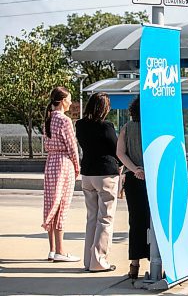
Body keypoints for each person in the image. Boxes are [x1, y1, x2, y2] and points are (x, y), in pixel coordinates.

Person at [75, 92, 120, 272]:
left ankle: (88, 260)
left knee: (91, 218)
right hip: (105, 174)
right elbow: (117, 150)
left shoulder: (80, 125)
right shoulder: (106, 127)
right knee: (105, 219)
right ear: (105, 108)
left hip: (87, 174)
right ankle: (99, 261)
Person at [42, 86, 80, 262]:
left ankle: (52, 249)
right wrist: (77, 166)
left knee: (51, 204)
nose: (71, 103)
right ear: (63, 101)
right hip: (63, 163)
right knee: (62, 205)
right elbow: (72, 146)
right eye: (69, 99)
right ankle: (61, 251)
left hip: (50, 162)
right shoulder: (65, 121)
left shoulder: (48, 119)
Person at [116, 97, 150, 279]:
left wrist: (134, 169)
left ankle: (134, 265)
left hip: (133, 179)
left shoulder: (127, 128)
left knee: (136, 222)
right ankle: (156, 260)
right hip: (153, 179)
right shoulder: (154, 128)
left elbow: (120, 152)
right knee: (154, 222)